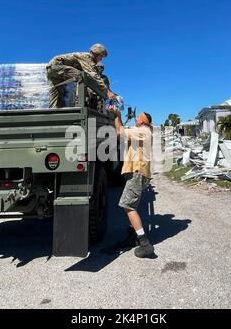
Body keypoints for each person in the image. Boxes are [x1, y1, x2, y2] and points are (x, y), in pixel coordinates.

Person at [109, 108, 155, 258]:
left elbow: (119, 132)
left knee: (127, 205)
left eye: (139, 116)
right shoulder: (139, 131)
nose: (137, 118)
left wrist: (117, 115)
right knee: (131, 205)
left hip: (137, 172)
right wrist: (118, 117)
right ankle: (133, 235)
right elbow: (121, 130)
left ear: (143, 121)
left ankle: (144, 243)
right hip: (137, 172)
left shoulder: (143, 131)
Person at [46, 43, 117, 108]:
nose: (101, 59)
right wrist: (107, 92)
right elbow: (93, 75)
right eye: (101, 56)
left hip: (51, 69)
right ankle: (79, 102)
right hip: (57, 66)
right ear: (95, 54)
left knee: (56, 95)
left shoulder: (85, 58)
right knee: (82, 77)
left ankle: (51, 114)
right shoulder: (87, 57)